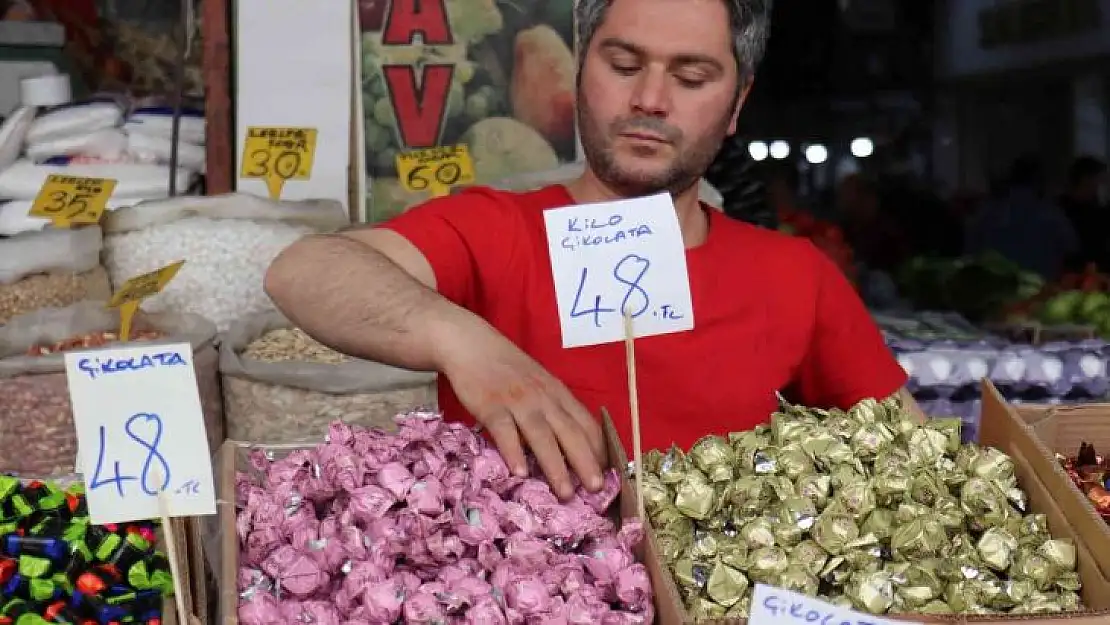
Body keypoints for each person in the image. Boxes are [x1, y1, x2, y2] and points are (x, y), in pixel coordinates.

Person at [264, 0, 915, 500]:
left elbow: (920, 465)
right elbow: (305, 270)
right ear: (579, 70)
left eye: (691, 76)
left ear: (737, 102)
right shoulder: (495, 229)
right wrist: (460, 340)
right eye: (624, 65)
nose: (649, 100)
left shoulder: (795, 275)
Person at [965, 155, 1078, 281]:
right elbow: (1071, 250)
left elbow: (969, 253)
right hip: (1040, 292)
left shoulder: (986, 213)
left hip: (992, 290)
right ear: (1041, 182)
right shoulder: (1053, 215)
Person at [1059, 156, 1108, 270]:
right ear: (1086, 179)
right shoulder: (1061, 211)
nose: (1103, 185)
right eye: (1100, 180)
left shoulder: (1099, 211)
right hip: (1071, 276)